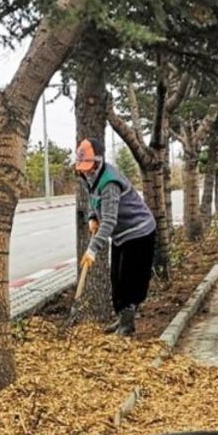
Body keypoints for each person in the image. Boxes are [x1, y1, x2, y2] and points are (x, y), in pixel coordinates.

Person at [76, 137, 157, 336]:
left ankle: (127, 325)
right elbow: (92, 200)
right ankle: (121, 318)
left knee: (130, 279)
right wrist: (92, 216)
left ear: (98, 160)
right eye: (82, 166)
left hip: (139, 232)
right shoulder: (90, 176)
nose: (85, 170)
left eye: (88, 165)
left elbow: (110, 221)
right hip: (122, 235)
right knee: (116, 279)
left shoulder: (110, 181)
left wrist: (93, 249)